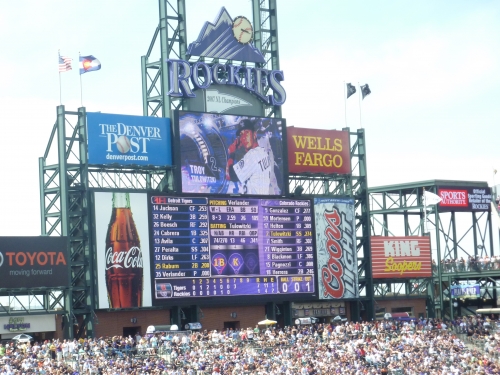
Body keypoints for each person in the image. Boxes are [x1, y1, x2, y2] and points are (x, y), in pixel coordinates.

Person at [225, 119, 279, 195]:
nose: (243, 137)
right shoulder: (262, 152)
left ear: (254, 134)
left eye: (247, 133)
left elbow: (230, 176)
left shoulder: (252, 155)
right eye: (241, 134)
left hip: (254, 202)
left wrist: (231, 153)